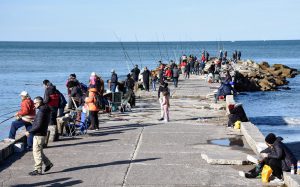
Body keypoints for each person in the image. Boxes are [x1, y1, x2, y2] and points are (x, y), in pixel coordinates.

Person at [26, 96, 53, 175]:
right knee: (39, 151)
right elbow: (41, 122)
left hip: (39, 134)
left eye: (35, 103)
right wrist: (34, 121)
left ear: (39, 102)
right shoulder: (45, 109)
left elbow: (38, 125)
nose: (34, 105)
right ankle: (48, 163)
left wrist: (29, 131)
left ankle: (38, 169)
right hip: (42, 133)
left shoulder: (41, 111)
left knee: (36, 152)